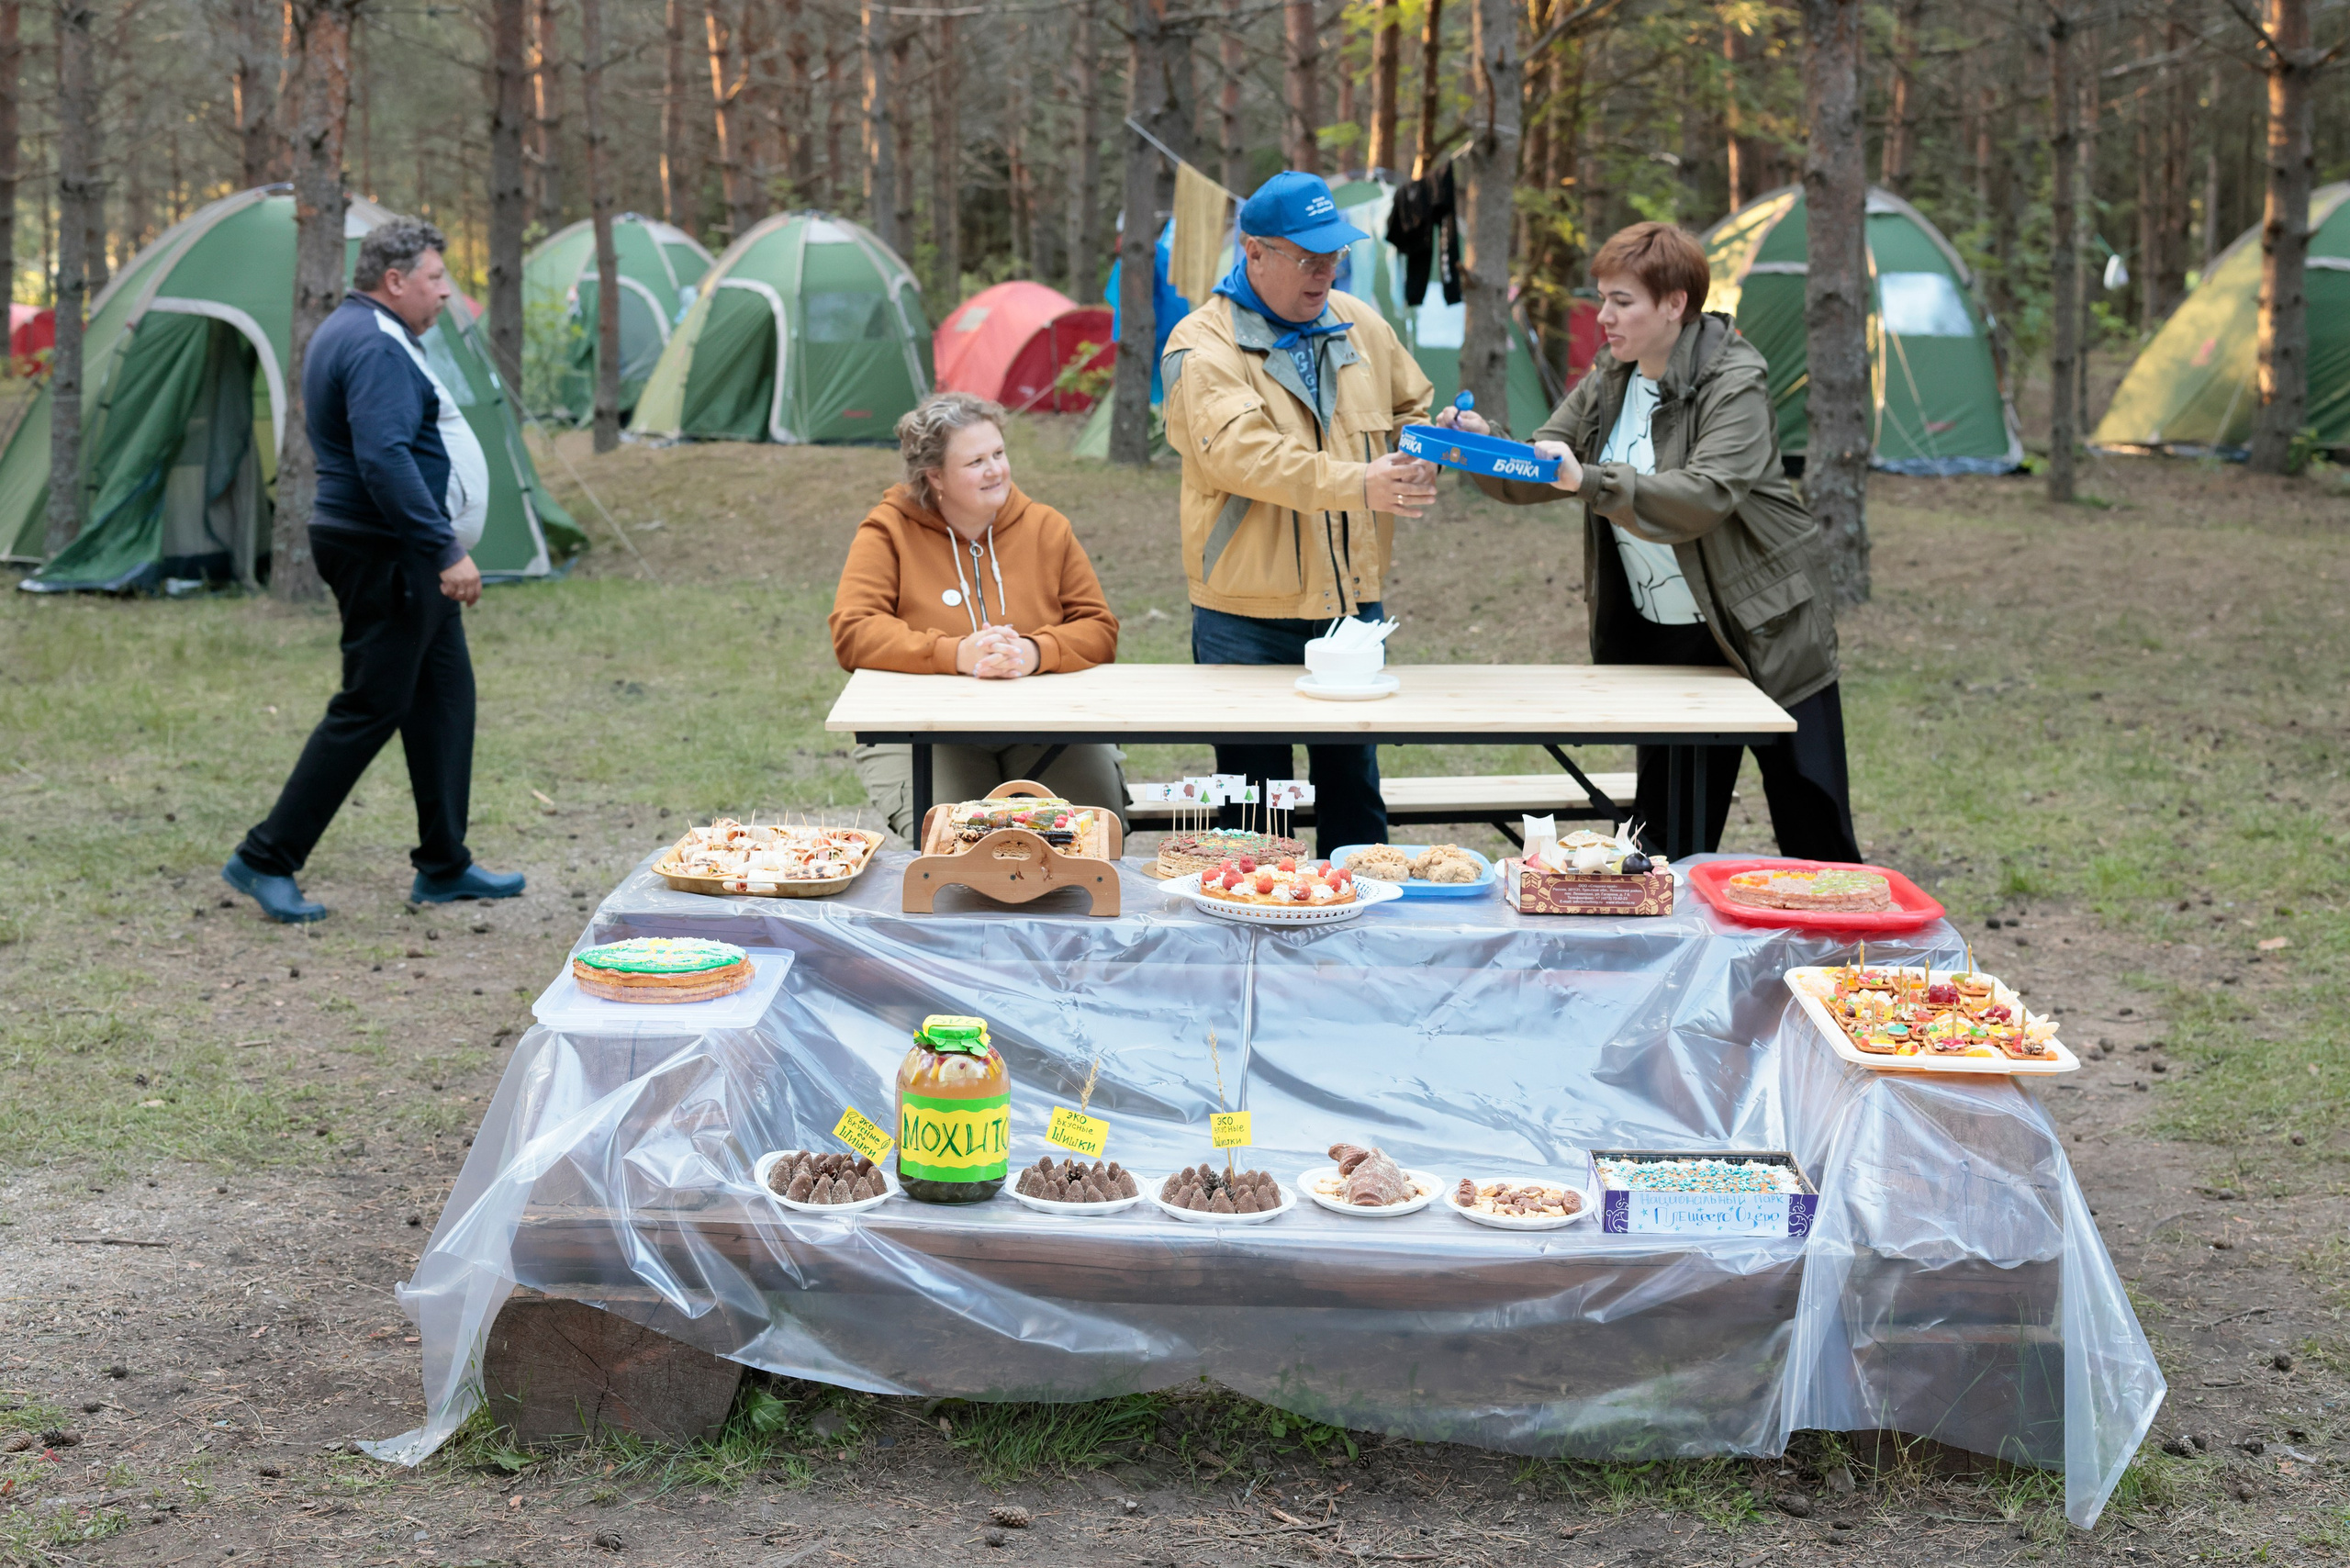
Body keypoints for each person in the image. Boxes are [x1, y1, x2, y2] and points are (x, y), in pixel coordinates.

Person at [1438, 220, 1859, 860]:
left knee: (1815, 840)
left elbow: (1707, 494)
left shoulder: (1733, 379)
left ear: (1674, 305)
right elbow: (1545, 464)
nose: (1602, 315)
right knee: (1666, 845)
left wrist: (1592, 480)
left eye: (1621, 301)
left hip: (1767, 635)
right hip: (1668, 643)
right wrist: (1478, 444)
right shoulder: (1612, 377)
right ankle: (1681, 962)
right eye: (1602, 296)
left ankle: (1843, 960)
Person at [223, 218, 524, 924]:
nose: (446, 293)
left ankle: (444, 863)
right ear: (395, 281)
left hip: (388, 546)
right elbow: (383, 457)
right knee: (370, 705)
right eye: (435, 279)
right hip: (384, 551)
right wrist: (444, 550)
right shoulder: (374, 343)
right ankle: (266, 856)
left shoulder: (357, 331)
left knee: (444, 696)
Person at [1160, 171, 1438, 850]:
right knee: (1255, 811)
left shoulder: (1358, 323)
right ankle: (1257, 943)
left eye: (1334, 256)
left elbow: (1412, 407)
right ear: (1254, 253)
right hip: (1245, 619)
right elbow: (1242, 456)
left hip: (1351, 607)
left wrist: (1429, 446)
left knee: (1355, 794)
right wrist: (1360, 483)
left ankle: (1359, 942)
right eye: (1307, 258)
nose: (1324, 273)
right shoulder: (1203, 346)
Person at [831, 392, 1125, 840]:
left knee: (1091, 837)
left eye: (999, 454)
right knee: (954, 843)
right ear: (935, 476)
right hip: (924, 729)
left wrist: (1034, 651)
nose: (996, 470)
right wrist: (954, 654)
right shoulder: (888, 530)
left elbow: (1098, 628)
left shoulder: (1047, 527)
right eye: (976, 462)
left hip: (1044, 725)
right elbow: (854, 631)